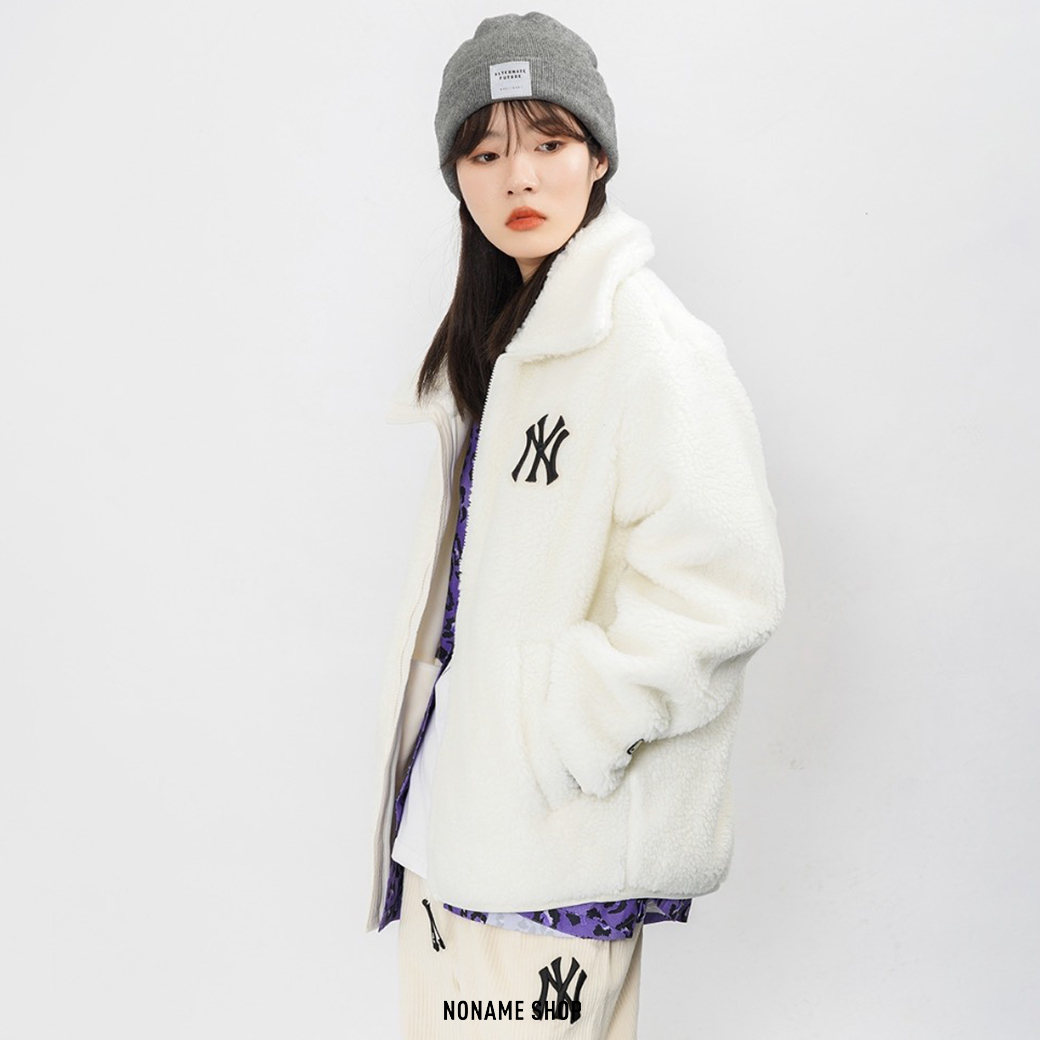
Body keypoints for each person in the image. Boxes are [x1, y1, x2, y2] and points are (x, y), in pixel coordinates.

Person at [363, 12, 787, 1038]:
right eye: (485, 152)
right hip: (452, 833)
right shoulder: (501, 346)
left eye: (549, 142)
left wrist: (567, 726)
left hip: (551, 845)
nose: (519, 176)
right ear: (456, 176)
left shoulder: (651, 347)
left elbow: (722, 589)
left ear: (597, 157)